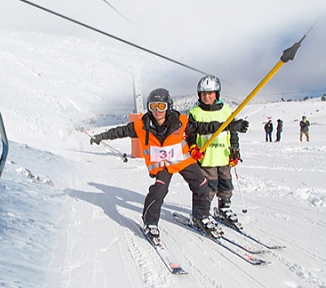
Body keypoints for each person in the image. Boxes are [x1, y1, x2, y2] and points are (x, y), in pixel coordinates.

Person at [89, 88, 249, 243]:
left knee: (202, 187)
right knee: (158, 191)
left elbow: (204, 128)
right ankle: (150, 222)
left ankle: (200, 216)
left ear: (169, 107)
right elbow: (120, 131)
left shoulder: (180, 121)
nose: (157, 111)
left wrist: (231, 126)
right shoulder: (141, 125)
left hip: (182, 160)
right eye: (153, 106)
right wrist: (101, 136)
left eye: (161, 106)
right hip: (163, 165)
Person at [186, 75, 246, 226]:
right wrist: (193, 147)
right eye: (204, 94)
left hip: (223, 155)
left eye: (210, 93)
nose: (207, 97)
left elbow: (233, 133)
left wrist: (235, 150)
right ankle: (200, 213)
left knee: (226, 183)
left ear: (216, 94)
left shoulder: (226, 111)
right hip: (207, 157)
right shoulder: (195, 112)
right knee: (208, 186)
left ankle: (223, 208)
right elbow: (190, 134)